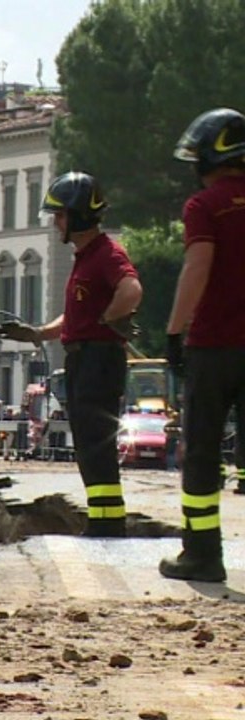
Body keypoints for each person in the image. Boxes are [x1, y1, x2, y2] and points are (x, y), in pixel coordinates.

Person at [0, 172, 143, 538]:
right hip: (84, 358)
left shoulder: (107, 254)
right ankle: (103, 518)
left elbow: (132, 289)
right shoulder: (85, 259)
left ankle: (108, 524)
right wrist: (37, 333)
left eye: (60, 214)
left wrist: (109, 317)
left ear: (78, 215)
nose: (55, 222)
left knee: (96, 444)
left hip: (98, 359)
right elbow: (75, 317)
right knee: (90, 445)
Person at [158, 107, 245, 582]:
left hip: (215, 345)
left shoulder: (205, 206)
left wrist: (175, 330)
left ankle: (202, 555)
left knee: (203, 451)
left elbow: (198, 268)